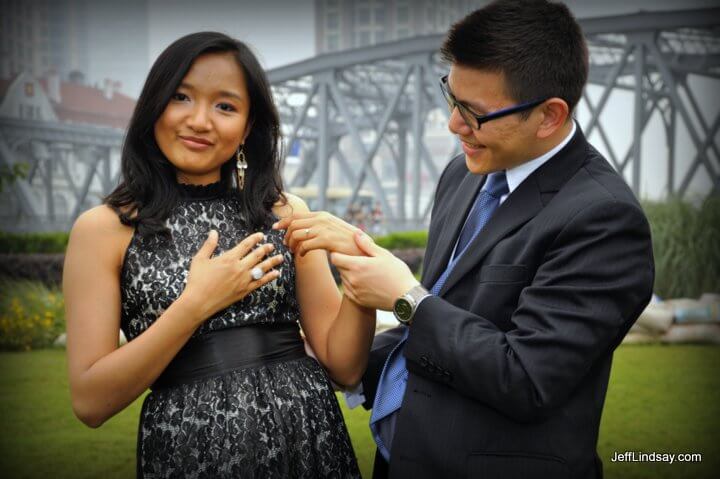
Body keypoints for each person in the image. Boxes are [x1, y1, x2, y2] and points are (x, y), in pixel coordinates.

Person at [274, 1, 655, 477]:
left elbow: (526, 377)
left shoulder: (604, 218)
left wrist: (405, 297)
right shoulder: (465, 173)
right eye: (451, 98)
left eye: (474, 113)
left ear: (549, 117)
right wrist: (323, 353)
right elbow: (453, 315)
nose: (454, 125)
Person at [63, 32, 372, 478]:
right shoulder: (103, 230)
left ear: (248, 127)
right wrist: (196, 304)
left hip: (308, 436)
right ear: (154, 107)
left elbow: (344, 368)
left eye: (225, 106)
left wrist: (359, 278)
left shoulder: (284, 213)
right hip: (190, 447)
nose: (200, 120)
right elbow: (90, 402)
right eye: (181, 97)